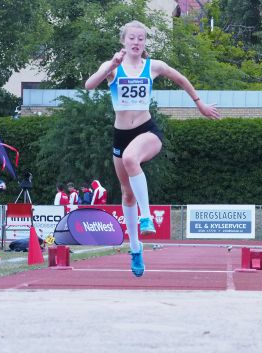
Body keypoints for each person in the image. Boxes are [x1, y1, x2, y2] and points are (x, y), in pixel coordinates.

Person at [85, 20, 220, 277]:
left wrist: (199, 104)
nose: (137, 42)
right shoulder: (112, 66)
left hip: (147, 131)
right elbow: (89, 85)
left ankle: (146, 217)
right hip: (120, 134)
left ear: (145, 42)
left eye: (141, 38)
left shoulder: (153, 66)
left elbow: (181, 79)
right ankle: (135, 248)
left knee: (131, 158)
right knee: (126, 194)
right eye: (132, 38)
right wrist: (110, 67)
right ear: (123, 41)